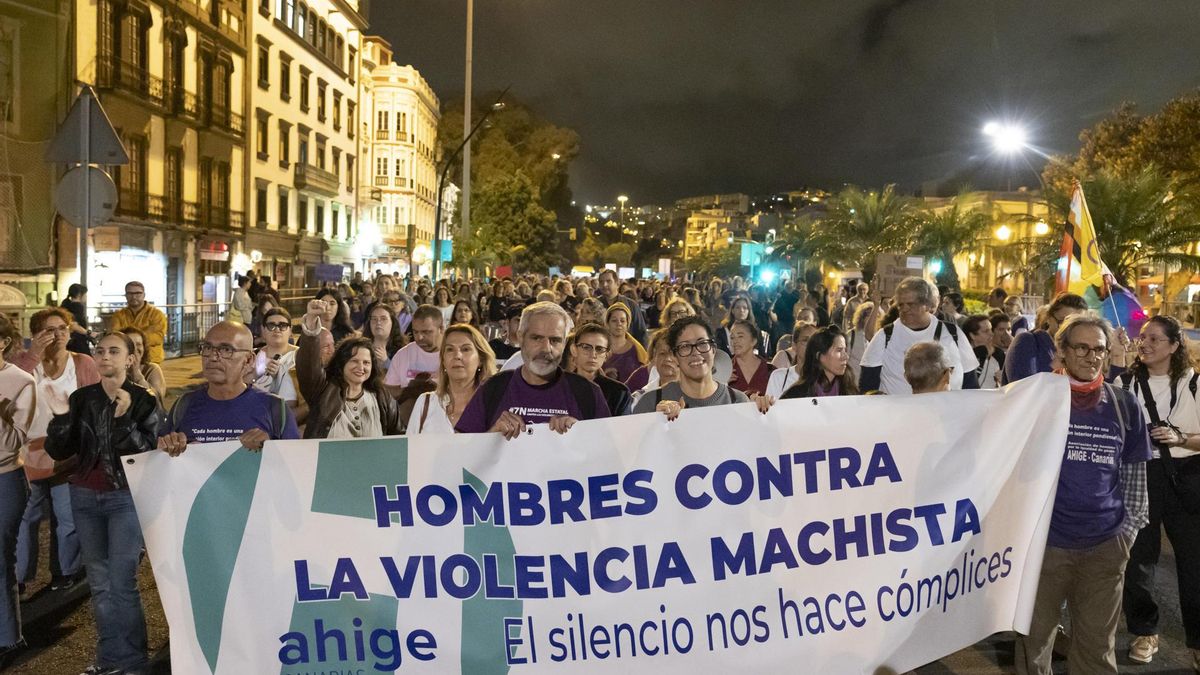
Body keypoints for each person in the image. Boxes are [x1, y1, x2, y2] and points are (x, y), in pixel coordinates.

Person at [1017, 314, 1151, 675]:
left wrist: (1128, 533)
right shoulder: (1036, 401)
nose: (1092, 357)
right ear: (1062, 351)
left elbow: (1135, 475)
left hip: (1105, 548)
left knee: (1095, 649)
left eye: (1099, 350)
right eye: (1082, 348)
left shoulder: (1125, 405)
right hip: (1045, 547)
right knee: (1035, 643)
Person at [44, 332, 163, 675]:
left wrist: (123, 419)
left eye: (114, 351)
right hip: (84, 495)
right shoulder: (82, 398)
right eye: (100, 350)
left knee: (121, 580)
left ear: (129, 359)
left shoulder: (143, 399)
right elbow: (60, 451)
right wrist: (61, 417)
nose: (105, 356)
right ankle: (111, 658)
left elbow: (148, 453)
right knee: (99, 583)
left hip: (124, 498)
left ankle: (133, 660)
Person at [1112, 316, 1200, 668]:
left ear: (1175, 346)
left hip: (1187, 474)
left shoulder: (1194, 384)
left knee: (1193, 563)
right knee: (1139, 560)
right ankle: (1144, 632)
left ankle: (1197, 641)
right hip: (1141, 473)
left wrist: (1180, 438)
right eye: (1142, 337)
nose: (1144, 343)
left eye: (1154, 339)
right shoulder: (1126, 381)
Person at [12, 308, 94, 601]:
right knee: (25, 517)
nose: (57, 335)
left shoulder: (83, 363)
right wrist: (32, 353)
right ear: (35, 334)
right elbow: (8, 387)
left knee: (68, 516)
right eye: (48, 330)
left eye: (62, 328)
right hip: (26, 453)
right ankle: (19, 577)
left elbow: (94, 406)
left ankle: (65, 571)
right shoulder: (24, 364)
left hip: (69, 455)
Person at [455, 302, 610, 438]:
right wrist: (492, 436)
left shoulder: (588, 393)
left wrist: (582, 434)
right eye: (536, 338)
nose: (546, 349)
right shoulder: (494, 388)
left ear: (565, 344)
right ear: (521, 337)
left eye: (555, 340)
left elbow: (611, 457)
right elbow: (460, 455)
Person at [158, 322, 300, 454]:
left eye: (226, 349)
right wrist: (168, 447)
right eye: (207, 348)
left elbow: (294, 463)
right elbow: (158, 462)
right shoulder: (183, 406)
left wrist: (269, 449)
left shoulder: (273, 408)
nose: (213, 357)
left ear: (249, 360)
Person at [296, 300, 402, 439]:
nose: (361, 367)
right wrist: (311, 322)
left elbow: (398, 437)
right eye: (354, 361)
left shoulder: (382, 397)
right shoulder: (323, 390)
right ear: (342, 363)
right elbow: (308, 367)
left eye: (366, 363)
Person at [858, 277, 980, 394]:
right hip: (899, 414)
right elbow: (868, 388)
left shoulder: (953, 333)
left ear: (927, 305)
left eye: (911, 304)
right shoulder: (884, 337)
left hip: (946, 414)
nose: (905, 309)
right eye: (901, 305)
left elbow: (971, 383)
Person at [632, 316, 749, 418]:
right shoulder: (650, 403)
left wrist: (762, 415)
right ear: (675, 356)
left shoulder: (737, 401)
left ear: (713, 349)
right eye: (685, 347)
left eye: (702, 343)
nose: (696, 352)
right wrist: (655, 422)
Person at [0, 316, 33, 667]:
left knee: (0, 558)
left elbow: (15, 440)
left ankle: (9, 636)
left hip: (5, 478)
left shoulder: (21, 381)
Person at [405, 325, 498, 434]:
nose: (457, 355)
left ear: (480, 360)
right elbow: (409, 450)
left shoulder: (494, 407)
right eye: (449, 349)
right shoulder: (425, 402)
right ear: (443, 360)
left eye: (465, 349)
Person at [1003, 292, 1092, 384]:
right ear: (1049, 318)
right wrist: (1055, 366)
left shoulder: (1083, 350)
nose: (1069, 329)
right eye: (1063, 322)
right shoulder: (1027, 341)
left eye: (1076, 324)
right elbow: (1023, 388)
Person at [249, 307, 306, 424]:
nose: (277, 330)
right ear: (263, 330)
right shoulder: (252, 356)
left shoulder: (301, 356)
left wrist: (280, 377)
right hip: (252, 416)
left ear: (290, 331)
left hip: (289, 419)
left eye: (282, 325)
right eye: (271, 325)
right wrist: (256, 374)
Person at [570, 322, 633, 416]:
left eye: (599, 349)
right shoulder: (560, 387)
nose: (593, 355)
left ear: (606, 355)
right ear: (574, 350)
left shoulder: (619, 393)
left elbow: (623, 428)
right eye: (586, 347)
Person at [384, 305, 444, 391]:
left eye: (426, 332)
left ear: (441, 329)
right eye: (415, 332)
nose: (419, 337)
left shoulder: (453, 355)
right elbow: (390, 389)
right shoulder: (403, 354)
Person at [109, 281, 167, 364]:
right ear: (125, 295)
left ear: (144, 295)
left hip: (150, 359)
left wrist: (128, 338)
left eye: (138, 293)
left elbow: (158, 337)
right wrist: (143, 334)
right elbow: (115, 336)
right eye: (130, 293)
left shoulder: (156, 314)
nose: (134, 296)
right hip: (125, 359)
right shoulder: (119, 315)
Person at [597, 269, 648, 345]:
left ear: (617, 284)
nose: (604, 285)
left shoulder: (631, 305)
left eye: (608, 281)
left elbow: (641, 333)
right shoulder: (594, 305)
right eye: (601, 282)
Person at [628, 329, 678, 404]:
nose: (668, 358)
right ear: (654, 358)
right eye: (662, 353)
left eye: (673, 353)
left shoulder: (698, 393)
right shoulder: (640, 397)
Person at [727, 319, 774, 396]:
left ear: (753, 341)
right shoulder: (724, 371)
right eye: (732, 337)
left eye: (740, 336)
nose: (735, 341)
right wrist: (722, 386)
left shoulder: (770, 370)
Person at [602, 304, 648, 384]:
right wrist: (603, 376)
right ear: (607, 324)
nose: (619, 324)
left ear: (627, 324)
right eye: (614, 320)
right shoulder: (600, 349)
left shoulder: (637, 351)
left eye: (622, 321)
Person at [118, 326, 167, 400]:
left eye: (139, 344)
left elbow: (157, 400)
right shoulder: (114, 369)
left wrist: (137, 374)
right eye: (130, 344)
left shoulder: (152, 369)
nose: (135, 348)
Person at [362, 301, 406, 372]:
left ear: (393, 323)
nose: (378, 322)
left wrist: (385, 361)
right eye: (374, 319)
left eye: (383, 319)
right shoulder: (361, 346)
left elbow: (403, 377)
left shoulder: (402, 350)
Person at [963, 315, 1004, 390]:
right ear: (972, 335)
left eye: (991, 330)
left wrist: (1004, 379)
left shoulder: (998, 354)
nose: (992, 334)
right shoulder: (963, 355)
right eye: (986, 331)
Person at [60, 283, 95, 355]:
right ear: (79, 295)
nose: (86, 296)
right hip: (78, 343)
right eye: (85, 294)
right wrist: (88, 333)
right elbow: (73, 325)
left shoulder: (66, 305)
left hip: (69, 342)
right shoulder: (77, 306)